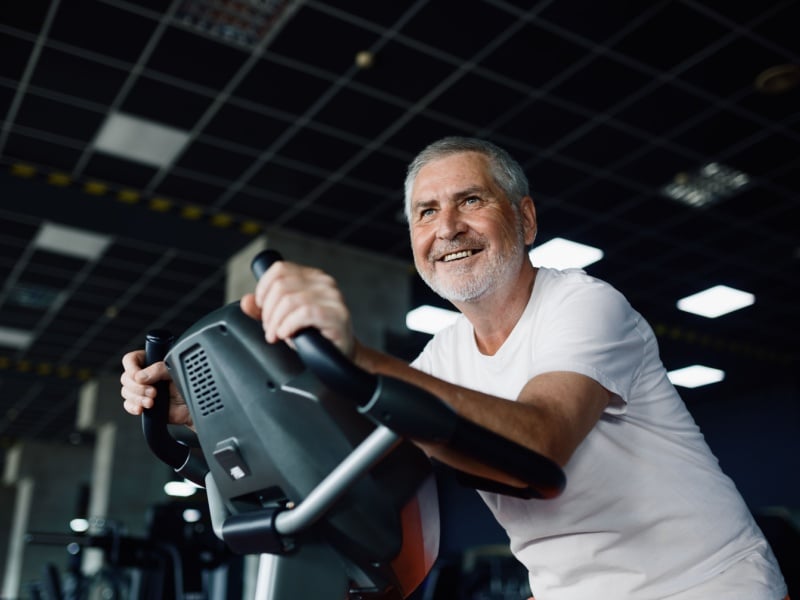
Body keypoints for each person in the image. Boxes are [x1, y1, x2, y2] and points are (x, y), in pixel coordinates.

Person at [121, 137, 789, 599]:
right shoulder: (443, 357)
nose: (448, 227)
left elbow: (539, 443)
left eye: (471, 201)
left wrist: (352, 353)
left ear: (524, 219)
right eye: (426, 211)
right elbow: (339, 459)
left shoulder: (584, 303)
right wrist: (197, 419)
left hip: (707, 585)